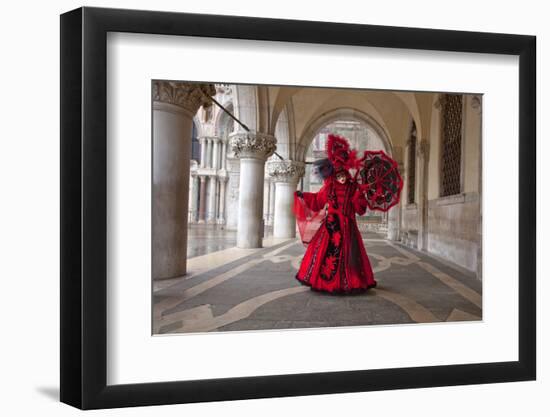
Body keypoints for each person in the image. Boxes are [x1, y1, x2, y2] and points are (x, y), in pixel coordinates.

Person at [294, 163, 377, 294]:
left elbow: (360, 210)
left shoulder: (353, 188)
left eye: (343, 175)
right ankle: (326, 283)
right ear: (334, 176)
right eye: (339, 176)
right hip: (331, 227)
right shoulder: (329, 188)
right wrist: (303, 196)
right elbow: (317, 200)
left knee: (350, 255)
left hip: (349, 227)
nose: (342, 178)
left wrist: (359, 196)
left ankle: (351, 282)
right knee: (327, 254)